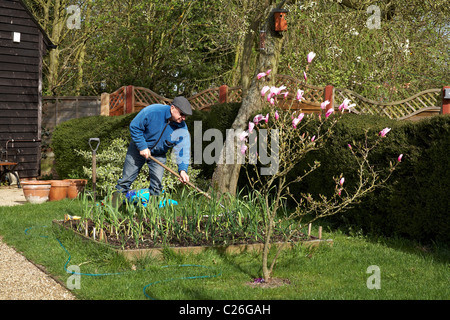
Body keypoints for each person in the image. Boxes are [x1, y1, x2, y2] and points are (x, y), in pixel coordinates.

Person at [114, 96, 192, 198]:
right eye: (182, 114)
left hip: (158, 155)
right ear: (172, 108)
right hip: (137, 149)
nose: (183, 118)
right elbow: (135, 126)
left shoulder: (181, 127)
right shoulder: (153, 111)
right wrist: (142, 146)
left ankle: (152, 212)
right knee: (125, 180)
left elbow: (183, 149)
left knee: (157, 186)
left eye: (185, 116)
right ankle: (112, 210)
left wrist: (183, 170)